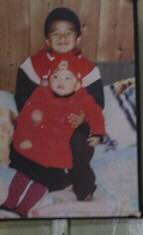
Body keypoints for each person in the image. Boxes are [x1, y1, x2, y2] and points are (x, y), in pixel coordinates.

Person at [13, 6, 104, 202]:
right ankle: (58, 180)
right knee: (19, 150)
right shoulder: (33, 65)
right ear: (47, 40)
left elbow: (97, 103)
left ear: (78, 38)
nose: (62, 38)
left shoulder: (88, 69)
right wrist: (36, 116)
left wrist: (83, 119)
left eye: (68, 33)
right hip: (43, 124)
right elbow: (22, 99)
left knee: (80, 142)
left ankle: (84, 185)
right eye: (56, 33)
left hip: (73, 123)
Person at [2, 62, 105, 219]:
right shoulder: (42, 93)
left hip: (57, 153)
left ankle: (24, 208)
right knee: (22, 174)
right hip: (36, 144)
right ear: (48, 80)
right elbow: (26, 115)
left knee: (41, 182)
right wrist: (31, 127)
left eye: (67, 78)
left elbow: (96, 114)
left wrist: (98, 134)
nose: (60, 81)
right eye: (55, 77)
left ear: (77, 84)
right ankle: (10, 202)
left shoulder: (82, 99)